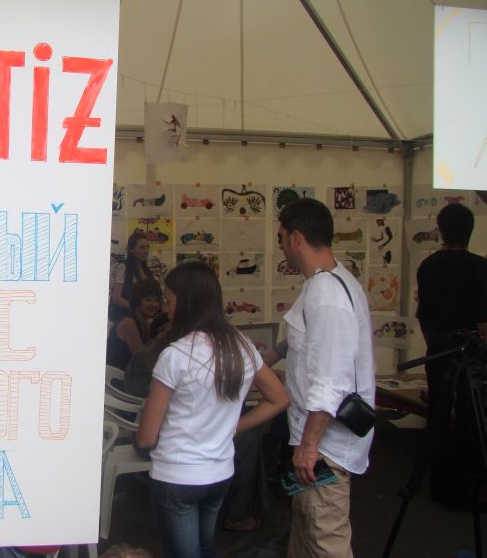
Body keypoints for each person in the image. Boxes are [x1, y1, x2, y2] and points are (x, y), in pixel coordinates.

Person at [135, 261, 289, 558]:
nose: (165, 308)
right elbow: (279, 398)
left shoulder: (175, 355)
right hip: (220, 472)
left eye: (169, 300)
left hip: (177, 476)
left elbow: (146, 437)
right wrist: (235, 428)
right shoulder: (241, 345)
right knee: (205, 547)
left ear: (187, 302)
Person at [276, 198, 375, 558]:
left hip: (324, 449)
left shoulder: (327, 293)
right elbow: (306, 341)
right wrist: (264, 359)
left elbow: (331, 380)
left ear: (296, 238)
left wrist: (308, 446)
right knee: (305, 534)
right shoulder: (325, 283)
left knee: (324, 539)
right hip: (315, 441)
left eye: (281, 237)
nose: (280, 246)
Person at [416, 203, 487, 506]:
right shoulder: (479, 267)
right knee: (472, 417)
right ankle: (469, 483)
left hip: (438, 349)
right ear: (470, 232)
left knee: (438, 413)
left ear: (441, 230)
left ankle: (438, 481)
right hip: (471, 353)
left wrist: (434, 343)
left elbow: (424, 316)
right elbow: (483, 321)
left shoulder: (428, 266)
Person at [106, 278, 162, 370]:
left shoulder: (145, 322)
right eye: (148, 300)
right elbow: (141, 359)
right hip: (117, 375)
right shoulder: (128, 323)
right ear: (137, 301)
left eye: (156, 300)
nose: (153, 304)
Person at [109, 232, 153, 323]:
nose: (146, 251)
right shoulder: (124, 267)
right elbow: (116, 298)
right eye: (142, 247)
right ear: (131, 249)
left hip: (141, 319)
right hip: (124, 318)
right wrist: (136, 310)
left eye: (147, 247)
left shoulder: (147, 271)